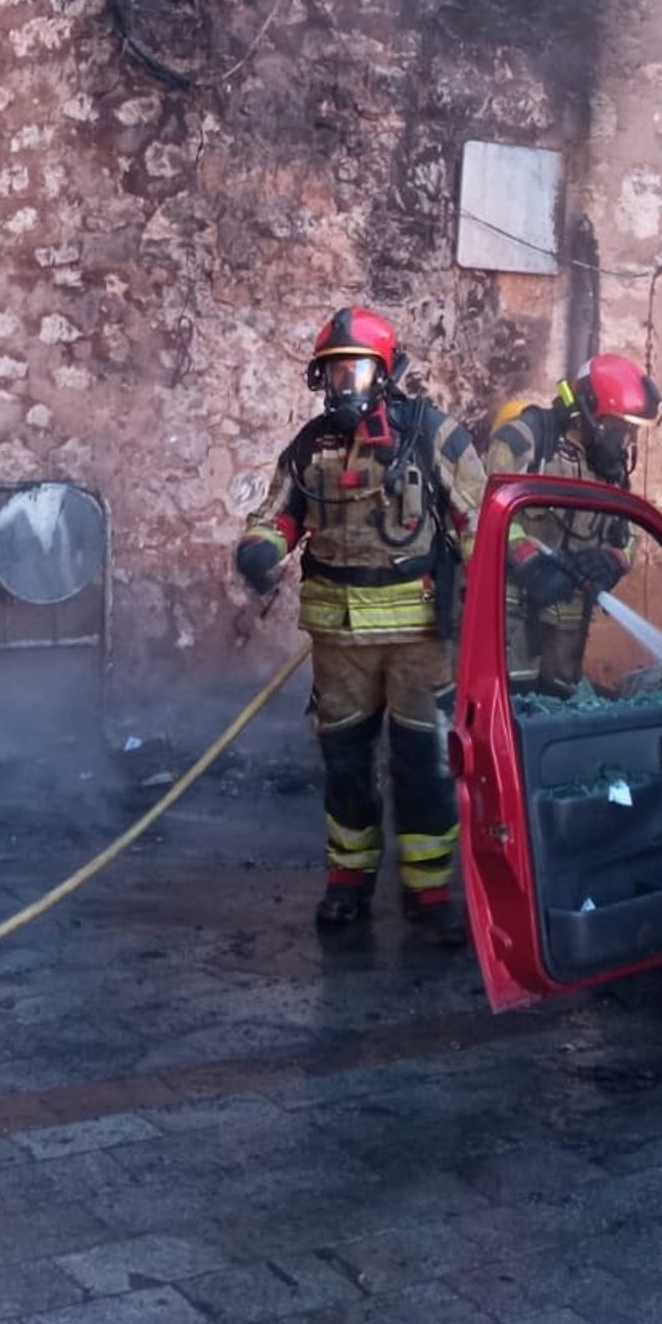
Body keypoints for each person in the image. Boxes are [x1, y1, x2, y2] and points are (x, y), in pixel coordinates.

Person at [235, 306, 486, 940]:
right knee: (345, 767)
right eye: (335, 371)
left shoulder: (432, 434)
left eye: (358, 370)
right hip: (340, 641)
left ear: (385, 373)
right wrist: (260, 548)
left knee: (423, 766)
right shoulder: (309, 447)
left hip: (419, 641)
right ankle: (347, 884)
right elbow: (278, 513)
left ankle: (429, 890)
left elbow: (478, 520)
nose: (345, 384)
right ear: (320, 377)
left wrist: (486, 598)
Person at [487, 352, 660, 697]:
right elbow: (482, 509)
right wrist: (529, 561)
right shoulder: (524, 442)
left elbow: (630, 530)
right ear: (590, 411)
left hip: (568, 630)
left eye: (631, 431)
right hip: (512, 618)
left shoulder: (610, 469)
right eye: (621, 428)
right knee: (514, 708)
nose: (626, 441)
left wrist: (614, 559)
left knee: (560, 709)